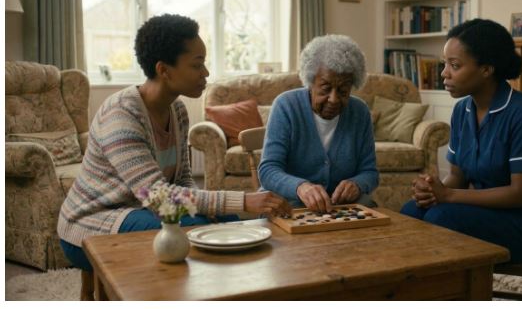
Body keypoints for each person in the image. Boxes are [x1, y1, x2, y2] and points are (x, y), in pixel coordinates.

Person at [57, 14, 290, 272]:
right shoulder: (121, 115)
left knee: (226, 221)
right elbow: (159, 196)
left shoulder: (176, 109)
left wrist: (216, 208)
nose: (206, 73)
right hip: (95, 221)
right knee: (194, 230)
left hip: (148, 208)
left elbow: (183, 182)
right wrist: (245, 200)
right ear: (163, 70)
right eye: (196, 64)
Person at [400, 19, 522, 264]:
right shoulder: (461, 110)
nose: (444, 73)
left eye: (454, 65)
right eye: (445, 63)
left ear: (487, 69)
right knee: (411, 211)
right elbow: (457, 176)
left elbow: (520, 195)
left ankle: (456, 290)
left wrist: (448, 196)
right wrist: (433, 192)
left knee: (442, 218)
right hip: (490, 213)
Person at [258, 34, 379, 213]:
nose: (334, 99)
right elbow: (268, 170)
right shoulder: (286, 106)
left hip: (339, 208)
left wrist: (357, 184)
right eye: (325, 88)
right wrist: (301, 187)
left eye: (343, 90)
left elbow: (370, 172)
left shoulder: (360, 112)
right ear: (310, 82)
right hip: (289, 202)